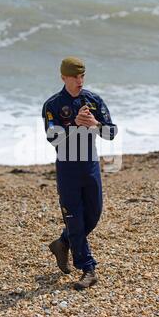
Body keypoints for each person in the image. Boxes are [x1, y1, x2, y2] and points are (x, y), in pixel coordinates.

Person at [42, 57, 118, 290]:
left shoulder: (93, 101)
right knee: (74, 218)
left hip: (89, 164)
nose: (79, 80)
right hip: (67, 167)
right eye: (75, 76)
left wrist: (95, 124)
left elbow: (111, 133)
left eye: (82, 76)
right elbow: (52, 137)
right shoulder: (52, 105)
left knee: (93, 215)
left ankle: (62, 242)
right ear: (63, 77)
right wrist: (74, 124)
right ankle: (88, 268)